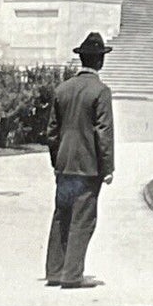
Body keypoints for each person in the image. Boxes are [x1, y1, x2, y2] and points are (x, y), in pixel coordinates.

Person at [45, 32, 115, 289]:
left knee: (61, 215)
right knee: (82, 219)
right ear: (100, 62)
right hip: (88, 167)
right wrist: (107, 168)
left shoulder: (62, 89)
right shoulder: (100, 91)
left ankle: (55, 271)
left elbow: (51, 132)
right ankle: (72, 275)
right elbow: (103, 132)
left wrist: (57, 161)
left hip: (64, 165)